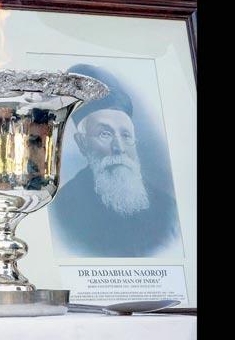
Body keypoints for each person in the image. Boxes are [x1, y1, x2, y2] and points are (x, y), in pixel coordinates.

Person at [49, 64, 182, 258]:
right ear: (82, 143)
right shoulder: (62, 209)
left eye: (126, 135)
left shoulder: (167, 208)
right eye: (105, 134)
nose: (119, 147)